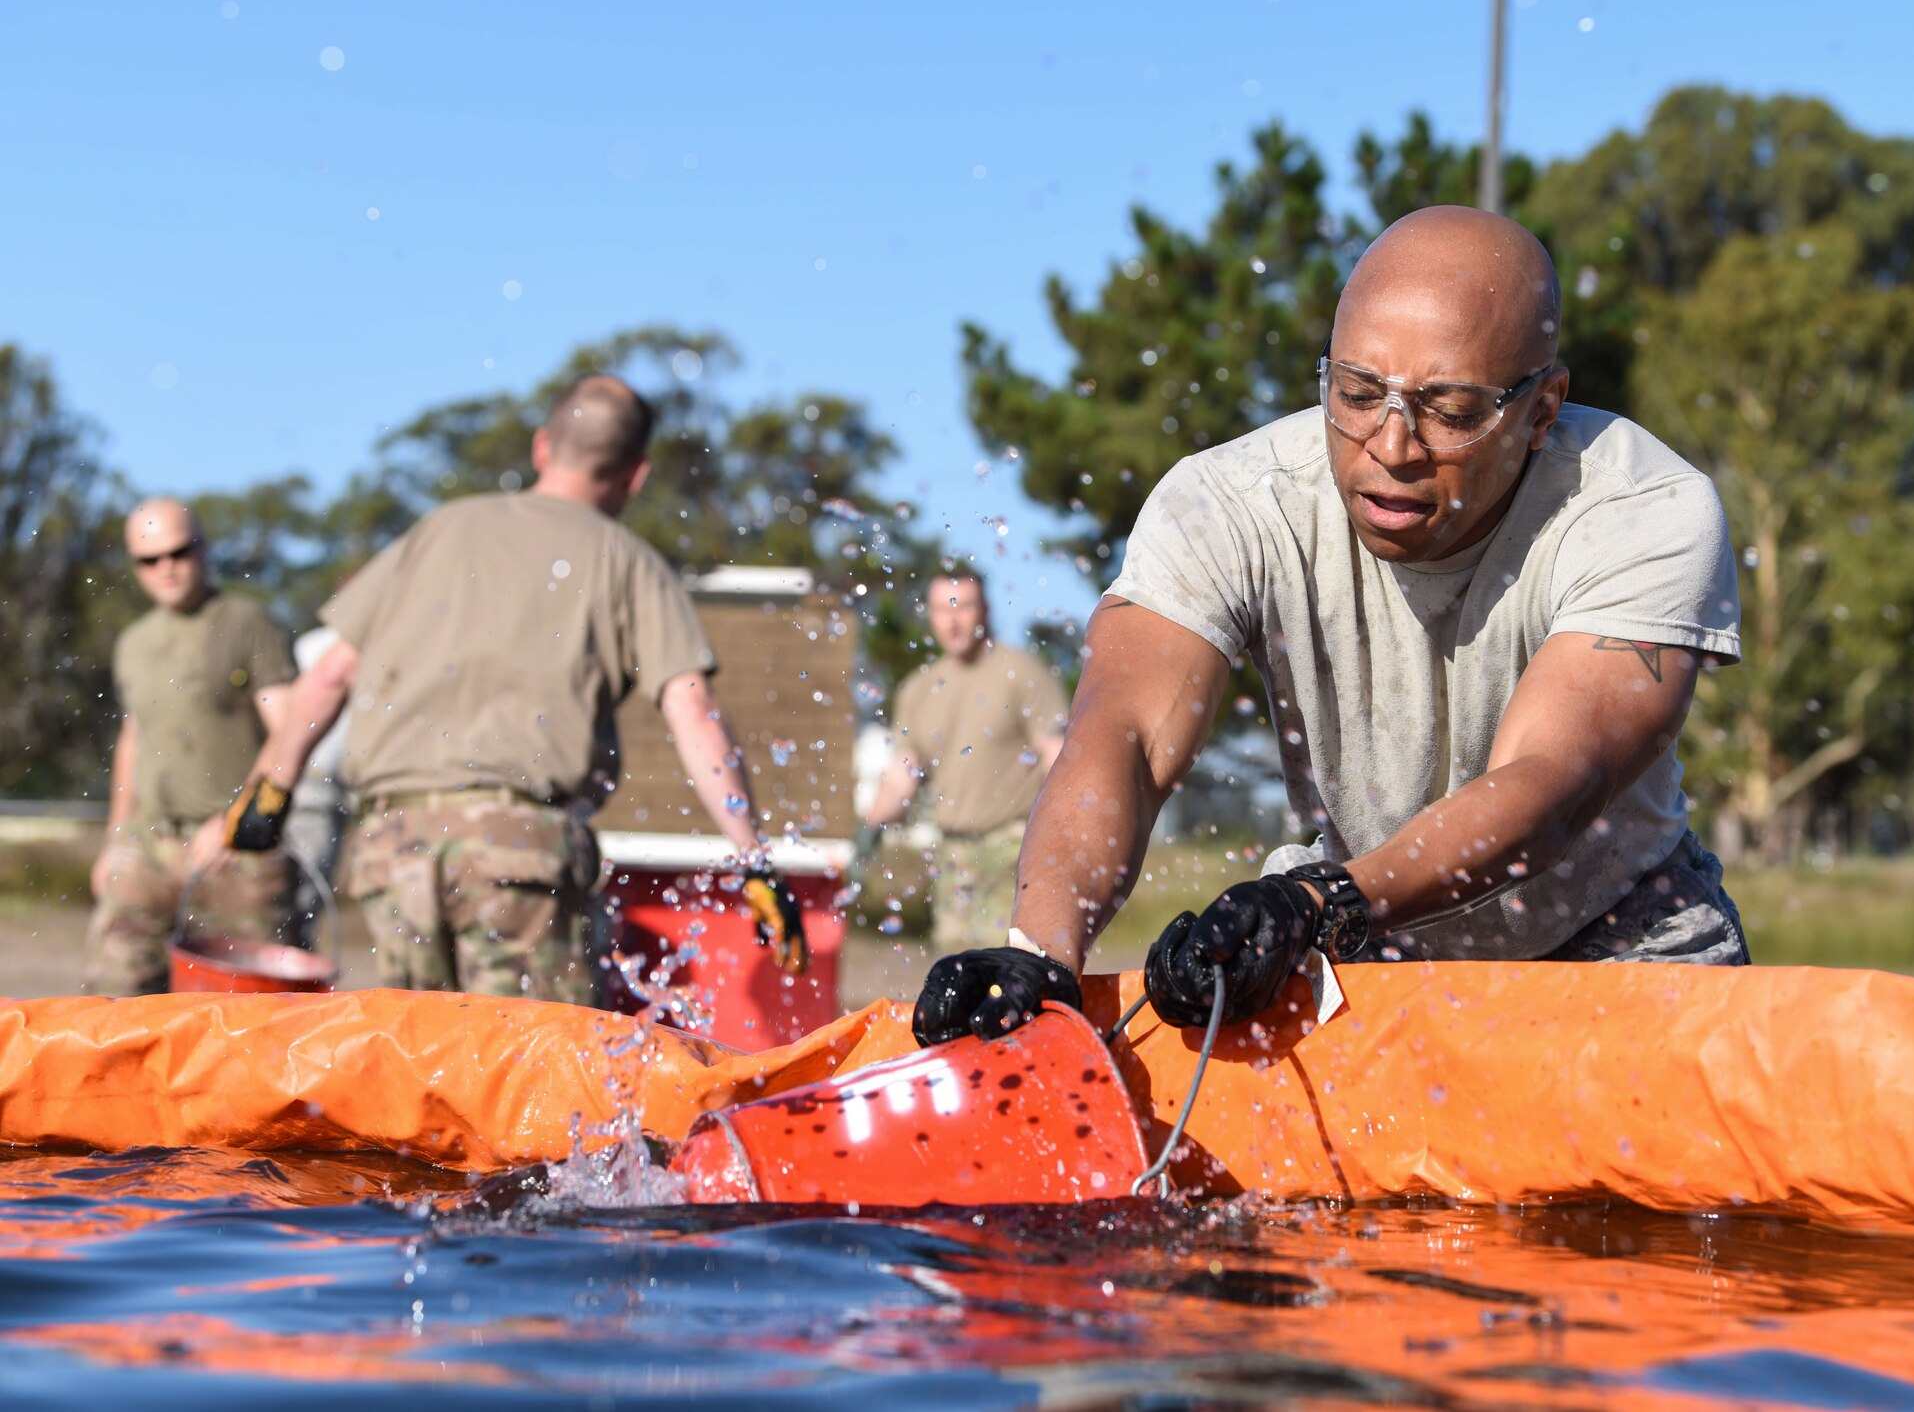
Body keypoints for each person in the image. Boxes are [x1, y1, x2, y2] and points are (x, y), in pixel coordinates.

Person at [913, 205, 1745, 1046]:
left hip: (1619, 936)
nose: (1391, 445)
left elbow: (1549, 781)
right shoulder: (1232, 503)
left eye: (1450, 410)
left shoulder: (1643, 509)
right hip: (1359, 931)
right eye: (1354, 394)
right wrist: (1043, 948)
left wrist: (1328, 899)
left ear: (1542, 409)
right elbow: (1122, 734)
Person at [207, 373, 804, 1002]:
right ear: (636, 475)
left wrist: (267, 790)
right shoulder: (625, 560)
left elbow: (328, 675)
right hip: (520, 857)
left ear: (542, 447)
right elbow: (692, 707)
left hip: (395, 851)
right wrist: (754, 861)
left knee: (428, 1076)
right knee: (536, 1082)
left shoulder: (439, 530)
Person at [85, 499, 298, 995]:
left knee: (249, 1021)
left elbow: (292, 729)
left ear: (204, 548)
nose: (167, 568)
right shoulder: (134, 643)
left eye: (179, 552)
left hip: (233, 853)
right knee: (113, 1004)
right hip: (148, 847)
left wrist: (235, 821)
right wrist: (116, 839)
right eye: (149, 559)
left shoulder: (247, 623)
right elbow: (134, 739)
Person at [856, 569, 1067, 954]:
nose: (953, 621)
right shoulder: (917, 689)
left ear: (984, 610)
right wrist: (867, 833)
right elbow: (902, 775)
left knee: (1004, 963)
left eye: (964, 607)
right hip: (952, 853)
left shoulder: (1022, 674)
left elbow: (1058, 759)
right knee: (953, 968)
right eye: (941, 609)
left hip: (1013, 846)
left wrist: (1063, 837)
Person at [287, 623, 351, 950]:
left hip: (335, 789)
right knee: (304, 894)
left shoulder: (308, 643)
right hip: (315, 786)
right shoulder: (322, 645)